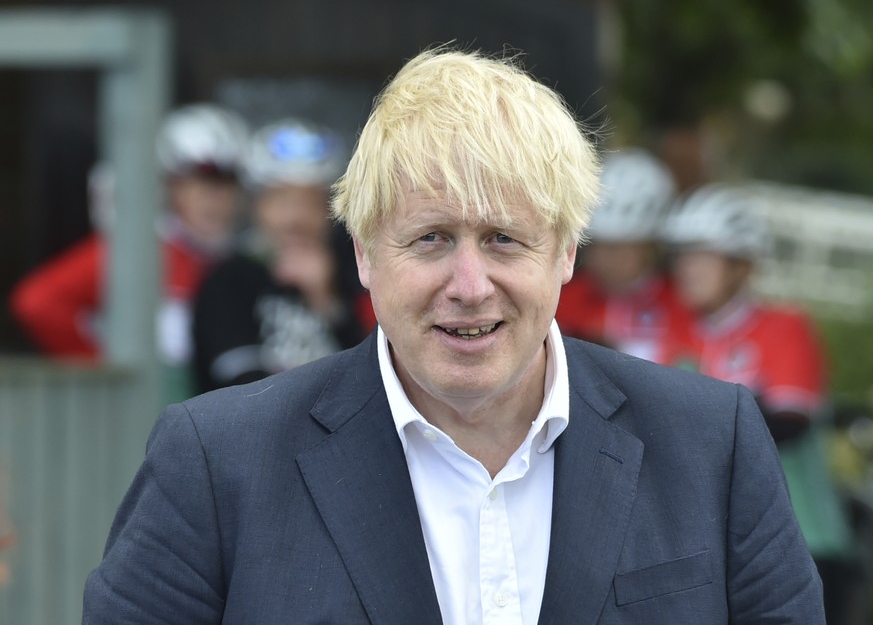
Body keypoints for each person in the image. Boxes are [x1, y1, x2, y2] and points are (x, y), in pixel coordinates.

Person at [83, 48, 823, 624]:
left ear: (565, 251)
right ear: (365, 254)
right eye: (432, 238)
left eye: (504, 239)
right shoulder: (215, 464)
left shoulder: (709, 445)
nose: (468, 284)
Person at [661, 183, 856, 623]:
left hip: (806, 537)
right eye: (682, 255)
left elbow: (789, 423)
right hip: (717, 542)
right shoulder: (676, 333)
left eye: (703, 256)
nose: (687, 269)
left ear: (742, 265)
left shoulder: (784, 327)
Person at [9, 104, 248, 400]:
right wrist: (104, 377)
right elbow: (37, 303)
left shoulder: (239, 259)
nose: (214, 199)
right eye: (200, 182)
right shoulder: (138, 251)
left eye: (227, 185)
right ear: (168, 186)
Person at [191, 119, 364, 393]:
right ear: (256, 205)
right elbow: (238, 383)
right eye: (282, 201)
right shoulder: (228, 278)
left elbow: (374, 377)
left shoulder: (353, 274)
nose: (297, 218)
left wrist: (326, 301)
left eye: (311, 203)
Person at [555, 148, 694, 365]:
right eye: (596, 245)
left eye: (618, 248)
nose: (603, 258)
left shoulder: (685, 304)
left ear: (651, 246)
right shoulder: (561, 299)